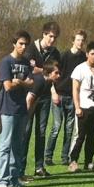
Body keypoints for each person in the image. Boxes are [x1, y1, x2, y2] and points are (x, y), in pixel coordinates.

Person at [0, 31, 37, 187]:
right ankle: (2, 181)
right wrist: (21, 82)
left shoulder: (26, 62)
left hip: (21, 108)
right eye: (20, 43)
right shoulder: (6, 62)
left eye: (26, 44)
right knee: (5, 146)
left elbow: (31, 82)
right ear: (14, 44)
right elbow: (7, 86)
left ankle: (14, 178)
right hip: (7, 109)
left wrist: (19, 82)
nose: (23, 46)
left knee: (17, 146)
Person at [26, 21, 62, 177]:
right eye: (50, 36)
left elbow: (55, 75)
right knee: (25, 132)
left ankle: (39, 167)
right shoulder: (30, 49)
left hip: (45, 96)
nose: (52, 40)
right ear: (44, 34)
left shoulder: (55, 53)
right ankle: (20, 169)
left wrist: (54, 91)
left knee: (41, 132)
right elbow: (29, 69)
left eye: (55, 37)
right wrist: (45, 71)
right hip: (30, 95)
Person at [49, 28, 87, 172]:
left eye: (82, 40)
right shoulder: (64, 55)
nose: (80, 42)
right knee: (56, 127)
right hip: (60, 95)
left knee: (69, 129)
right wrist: (53, 91)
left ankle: (65, 156)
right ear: (73, 41)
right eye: (78, 40)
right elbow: (53, 74)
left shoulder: (83, 57)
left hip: (73, 98)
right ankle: (48, 156)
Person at [68, 41, 94, 171]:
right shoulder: (79, 69)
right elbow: (75, 89)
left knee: (92, 138)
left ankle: (89, 162)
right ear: (87, 54)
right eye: (92, 54)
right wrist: (77, 106)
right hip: (83, 108)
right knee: (80, 136)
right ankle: (73, 161)